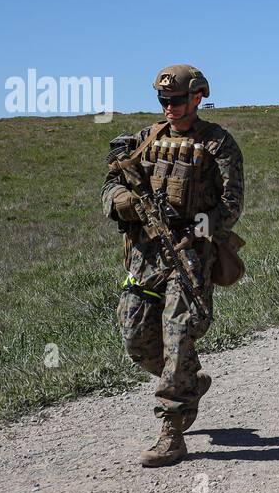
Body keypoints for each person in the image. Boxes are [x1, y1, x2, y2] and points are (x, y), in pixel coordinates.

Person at [102, 64, 244, 467]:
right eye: (163, 101)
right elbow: (111, 184)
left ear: (197, 97)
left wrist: (203, 227)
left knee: (179, 335)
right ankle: (190, 381)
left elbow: (232, 203)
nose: (168, 107)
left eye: (176, 100)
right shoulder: (146, 140)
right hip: (145, 256)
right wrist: (120, 202)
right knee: (135, 338)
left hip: (190, 254)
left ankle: (171, 432)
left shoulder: (217, 143)